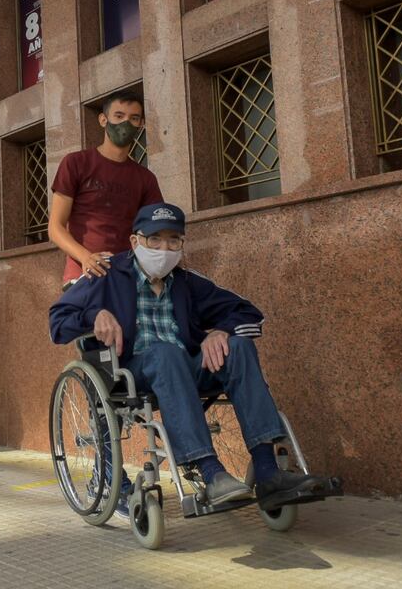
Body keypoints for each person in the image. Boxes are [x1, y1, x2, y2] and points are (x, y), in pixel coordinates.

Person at [49, 203, 328, 510]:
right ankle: (210, 472)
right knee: (165, 353)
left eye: (173, 240)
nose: (163, 248)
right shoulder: (107, 274)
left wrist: (220, 331)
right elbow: (58, 320)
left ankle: (268, 472)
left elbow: (248, 312)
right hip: (134, 371)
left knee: (239, 346)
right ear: (134, 241)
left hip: (186, 368)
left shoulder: (186, 282)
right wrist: (95, 315)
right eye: (154, 239)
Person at [47, 89, 163, 289]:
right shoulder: (76, 163)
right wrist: (86, 257)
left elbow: (157, 229)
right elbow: (55, 228)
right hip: (82, 277)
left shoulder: (146, 178)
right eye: (119, 116)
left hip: (128, 278)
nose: (126, 123)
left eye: (134, 118)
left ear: (141, 124)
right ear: (103, 119)